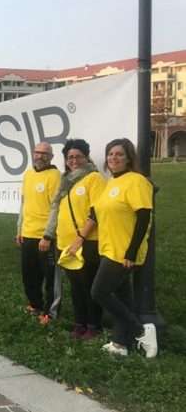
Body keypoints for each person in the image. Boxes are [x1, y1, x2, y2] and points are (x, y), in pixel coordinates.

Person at [70, 138, 157, 357]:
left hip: (123, 252)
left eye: (119, 154)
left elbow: (144, 216)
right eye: (110, 154)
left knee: (98, 292)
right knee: (123, 298)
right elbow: (97, 214)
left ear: (129, 158)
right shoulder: (111, 182)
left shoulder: (136, 181)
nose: (113, 158)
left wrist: (131, 251)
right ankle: (121, 344)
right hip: (108, 248)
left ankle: (141, 331)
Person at [40, 139, 106, 339]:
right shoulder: (65, 181)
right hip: (64, 243)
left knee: (89, 286)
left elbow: (96, 211)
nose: (74, 160)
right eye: (70, 157)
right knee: (76, 287)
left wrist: (80, 238)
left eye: (78, 156)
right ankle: (80, 324)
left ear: (86, 157)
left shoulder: (94, 178)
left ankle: (94, 326)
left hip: (86, 242)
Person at [16, 141, 62, 324]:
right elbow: (23, 203)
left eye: (45, 153)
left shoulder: (55, 176)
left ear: (51, 157)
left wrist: (48, 235)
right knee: (29, 274)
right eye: (37, 152)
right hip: (28, 233)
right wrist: (19, 229)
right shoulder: (28, 174)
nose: (40, 156)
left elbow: (56, 207)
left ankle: (50, 312)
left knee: (50, 278)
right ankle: (35, 304)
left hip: (45, 237)